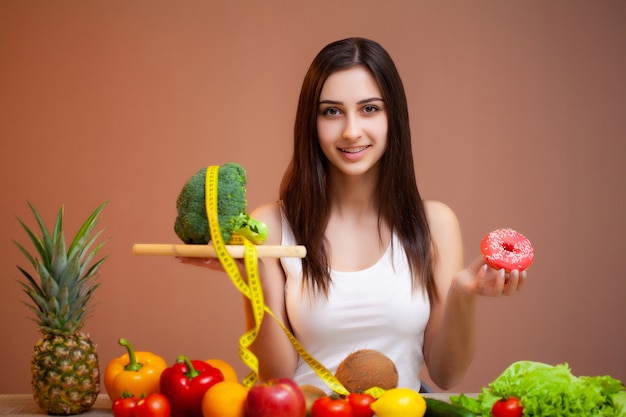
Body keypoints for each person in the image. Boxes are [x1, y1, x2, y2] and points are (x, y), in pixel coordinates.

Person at [182, 37, 527, 392]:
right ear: (311, 123)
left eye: (369, 109)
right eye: (331, 111)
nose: (351, 131)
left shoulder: (435, 224)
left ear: (394, 116)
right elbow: (277, 376)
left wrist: (463, 294)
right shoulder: (271, 225)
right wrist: (253, 282)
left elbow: (446, 375)